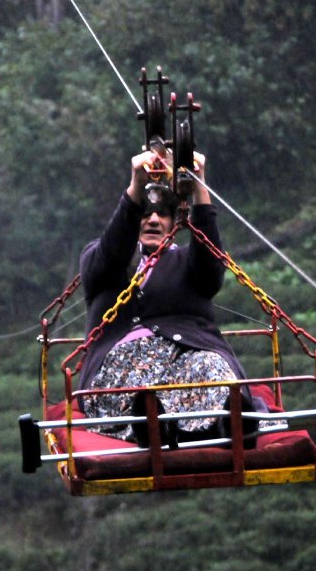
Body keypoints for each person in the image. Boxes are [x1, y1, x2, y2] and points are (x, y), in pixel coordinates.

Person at [77, 147, 256, 445]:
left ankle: (230, 425)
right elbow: (113, 250)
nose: (154, 221)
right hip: (122, 361)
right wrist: (136, 187)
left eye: (163, 214)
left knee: (212, 367)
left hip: (186, 353)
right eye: (145, 214)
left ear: (175, 222)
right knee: (138, 385)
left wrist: (199, 186)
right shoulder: (102, 261)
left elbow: (212, 267)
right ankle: (153, 429)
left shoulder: (190, 262)